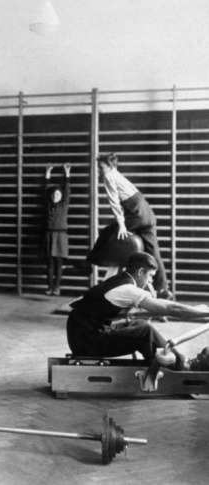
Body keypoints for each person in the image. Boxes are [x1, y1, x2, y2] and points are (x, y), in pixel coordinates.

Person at [67, 252, 209, 361]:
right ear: (141, 272)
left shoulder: (119, 279)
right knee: (144, 331)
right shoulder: (127, 289)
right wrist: (202, 313)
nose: (151, 282)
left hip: (83, 334)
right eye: (151, 276)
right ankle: (178, 366)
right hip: (86, 343)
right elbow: (172, 309)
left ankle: (172, 360)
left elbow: (130, 313)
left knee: (138, 324)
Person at [87, 153, 172, 299]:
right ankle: (164, 289)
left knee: (108, 231)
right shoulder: (116, 173)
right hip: (147, 213)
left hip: (136, 213)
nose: (99, 170)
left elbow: (114, 203)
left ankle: (89, 262)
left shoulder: (108, 176)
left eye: (101, 167)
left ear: (109, 166)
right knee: (154, 252)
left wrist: (121, 225)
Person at [43, 163, 71, 296]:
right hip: (49, 235)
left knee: (59, 263)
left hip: (61, 236)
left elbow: (67, 190)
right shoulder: (48, 205)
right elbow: (46, 190)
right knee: (50, 263)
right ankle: (49, 287)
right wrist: (47, 174)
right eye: (54, 195)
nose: (56, 196)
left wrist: (67, 174)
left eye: (58, 194)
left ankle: (57, 287)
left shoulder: (64, 205)